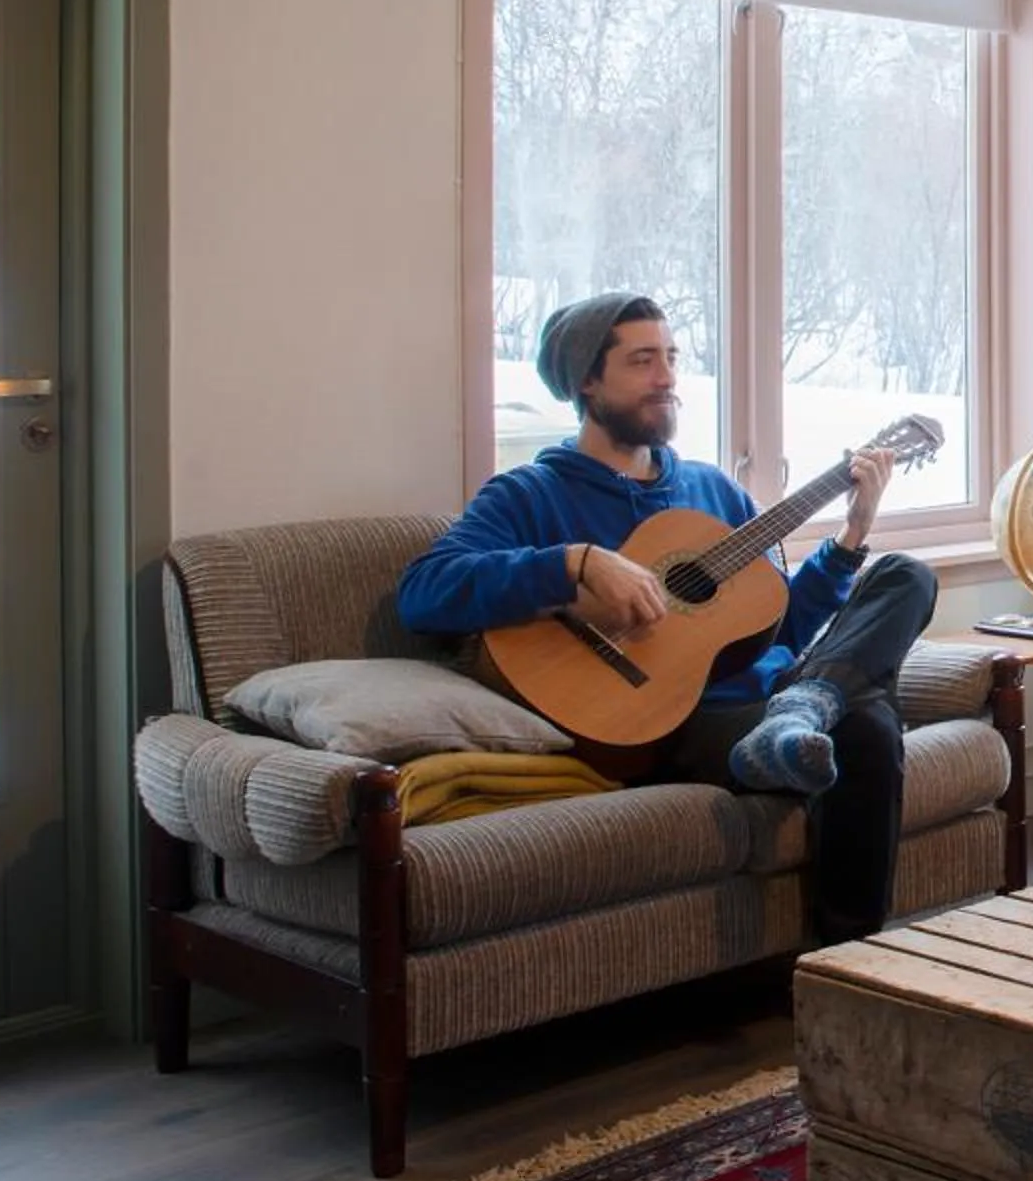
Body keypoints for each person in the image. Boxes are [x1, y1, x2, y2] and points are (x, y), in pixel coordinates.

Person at [397, 292, 935, 945]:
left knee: (905, 576)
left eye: (672, 358)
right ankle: (846, 963)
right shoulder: (530, 494)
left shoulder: (716, 491)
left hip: (773, 700)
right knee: (868, 724)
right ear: (587, 380)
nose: (667, 377)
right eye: (642, 360)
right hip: (681, 719)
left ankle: (807, 711)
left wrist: (851, 536)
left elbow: (782, 630)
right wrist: (573, 564)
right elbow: (423, 592)